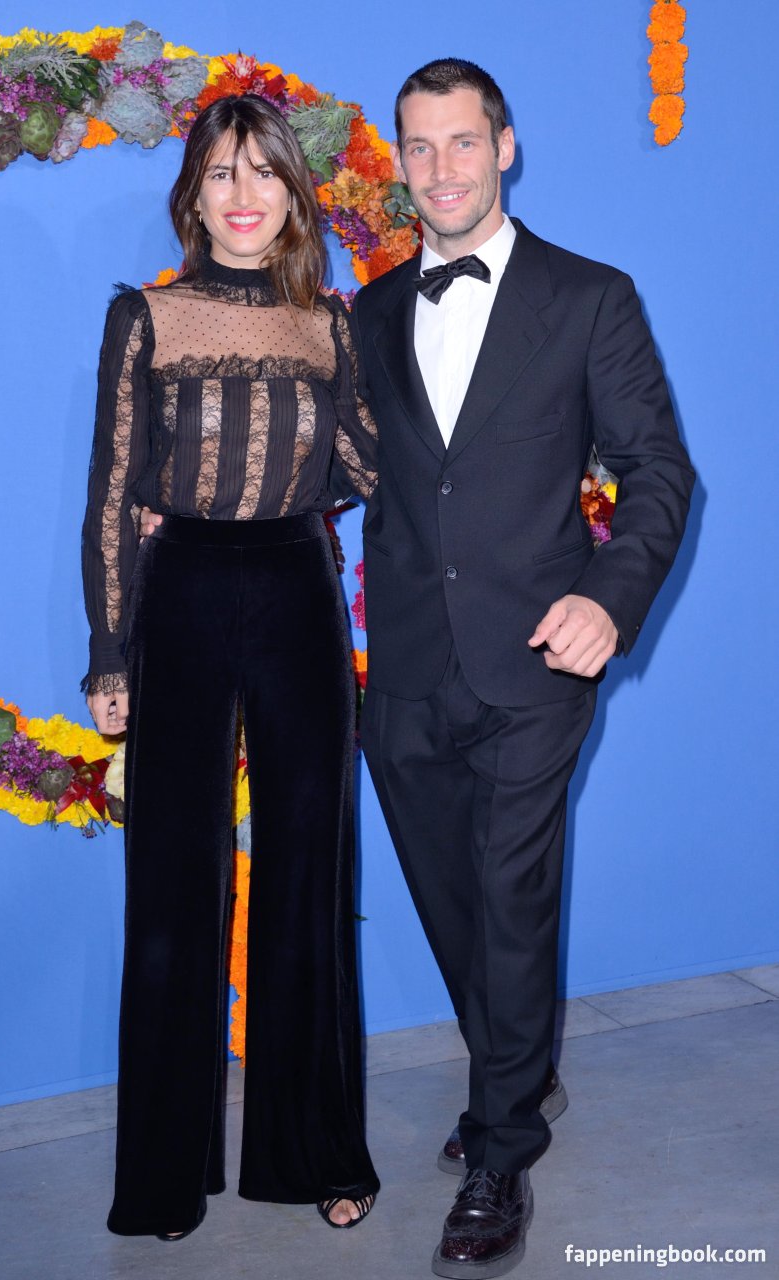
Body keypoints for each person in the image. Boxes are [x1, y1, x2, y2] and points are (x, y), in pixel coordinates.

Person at [351, 59, 695, 1277]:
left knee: (509, 893)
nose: (440, 168)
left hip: (537, 656)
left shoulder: (590, 297)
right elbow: (344, 467)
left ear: (504, 146)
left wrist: (607, 599)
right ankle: (521, 1063)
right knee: (452, 899)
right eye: (417, 146)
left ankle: (500, 1146)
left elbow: (658, 469)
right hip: (403, 663)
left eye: (462, 141)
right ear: (399, 161)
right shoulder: (368, 313)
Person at [81, 93, 379, 1241]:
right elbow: (114, 493)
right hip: (185, 596)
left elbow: (369, 463)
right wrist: (109, 650)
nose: (243, 194)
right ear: (193, 196)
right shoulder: (145, 317)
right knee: (171, 884)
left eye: (263, 172)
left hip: (299, 593)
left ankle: (318, 1151)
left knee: (310, 873)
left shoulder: (329, 324)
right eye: (220, 172)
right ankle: (163, 1177)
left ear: (293, 193)